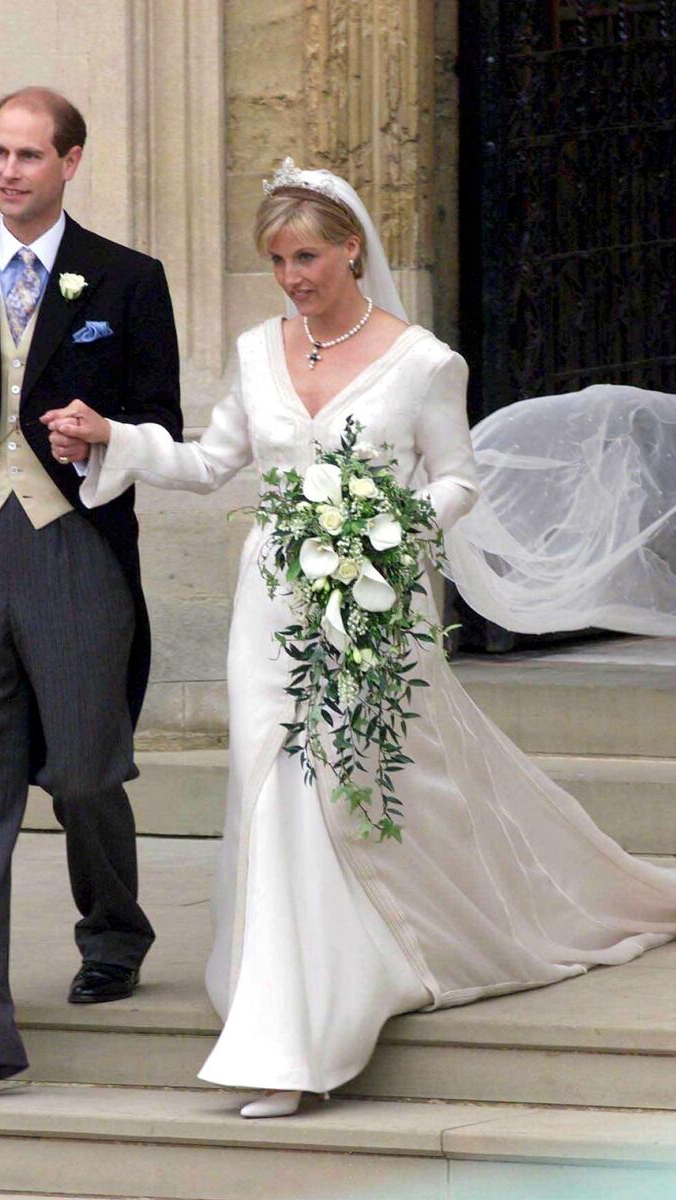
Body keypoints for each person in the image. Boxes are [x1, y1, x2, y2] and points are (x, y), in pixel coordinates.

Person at [43, 160, 676, 1120]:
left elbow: (459, 479)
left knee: (343, 790)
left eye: (308, 256)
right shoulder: (259, 351)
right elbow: (213, 462)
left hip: (377, 604)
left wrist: (386, 524)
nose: (294, 277)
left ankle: (311, 1032)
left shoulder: (423, 362)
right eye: (277, 261)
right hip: (273, 609)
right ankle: (289, 1017)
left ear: (350, 248)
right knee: (277, 790)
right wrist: (112, 439)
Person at [0, 86, 182, 1106]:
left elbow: (160, 420)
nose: (9, 171)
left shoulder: (128, 280)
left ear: (70, 162)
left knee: (85, 765)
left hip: (75, 550)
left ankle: (114, 926)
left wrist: (98, 440)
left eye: (28, 155)